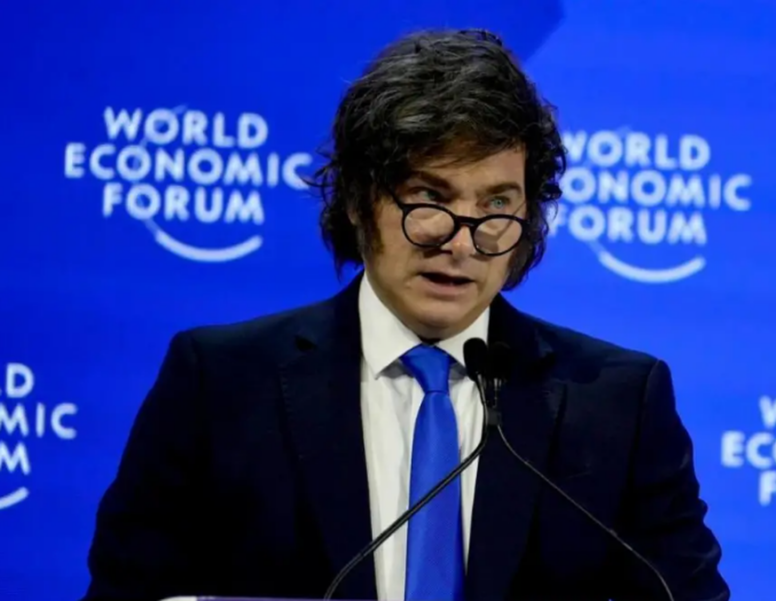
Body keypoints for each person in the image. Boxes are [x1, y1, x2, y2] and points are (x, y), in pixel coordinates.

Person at [83, 28, 730, 601]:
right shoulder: (220, 383)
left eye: (496, 205)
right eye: (429, 196)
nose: (461, 241)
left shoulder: (617, 402)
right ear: (359, 198)